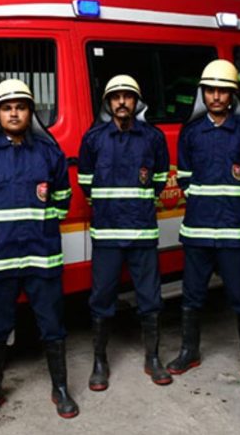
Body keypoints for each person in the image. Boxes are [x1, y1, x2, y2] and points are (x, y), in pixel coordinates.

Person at [0, 79, 79, 420]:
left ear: (31, 113)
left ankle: (60, 388)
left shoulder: (49, 154)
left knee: (52, 326)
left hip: (42, 257)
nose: (14, 113)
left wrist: (38, 229)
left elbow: (62, 203)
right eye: (7, 108)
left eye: (21, 107)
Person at [168, 59, 240, 387]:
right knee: (193, 296)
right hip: (197, 230)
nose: (215, 97)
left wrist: (238, 207)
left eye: (222, 91)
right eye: (210, 90)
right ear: (203, 94)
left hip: (233, 231)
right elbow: (184, 179)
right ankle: (189, 352)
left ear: (233, 95)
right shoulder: (191, 132)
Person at [77, 74, 173, 390]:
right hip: (106, 235)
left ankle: (153, 358)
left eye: (127, 96)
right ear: (108, 102)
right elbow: (86, 184)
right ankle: (100, 362)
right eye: (116, 96)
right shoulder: (93, 139)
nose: (121, 101)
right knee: (102, 298)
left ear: (136, 102)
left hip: (142, 233)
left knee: (150, 297)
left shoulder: (153, 138)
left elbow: (159, 179)